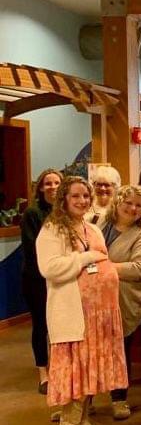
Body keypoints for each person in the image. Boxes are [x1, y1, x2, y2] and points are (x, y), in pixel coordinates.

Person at [37, 176, 126, 425]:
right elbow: (50, 268)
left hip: (97, 315)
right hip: (72, 313)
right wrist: (84, 258)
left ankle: (83, 420)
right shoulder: (52, 229)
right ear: (63, 198)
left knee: (89, 368)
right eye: (75, 196)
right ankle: (68, 424)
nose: (82, 201)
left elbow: (105, 260)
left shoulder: (91, 228)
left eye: (85, 196)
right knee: (76, 368)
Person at [101, 185, 141, 420]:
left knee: (119, 351)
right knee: (93, 350)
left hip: (125, 301)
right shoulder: (99, 224)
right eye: (129, 203)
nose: (133, 208)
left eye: (138, 205)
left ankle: (119, 398)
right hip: (95, 301)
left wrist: (102, 268)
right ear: (118, 202)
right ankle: (84, 400)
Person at [21, 168, 62, 394]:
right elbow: (32, 250)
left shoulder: (66, 212)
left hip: (62, 280)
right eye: (48, 183)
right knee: (41, 326)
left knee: (59, 327)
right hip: (37, 280)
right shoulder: (33, 214)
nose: (53, 187)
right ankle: (43, 373)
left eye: (57, 183)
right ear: (41, 187)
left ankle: (59, 368)